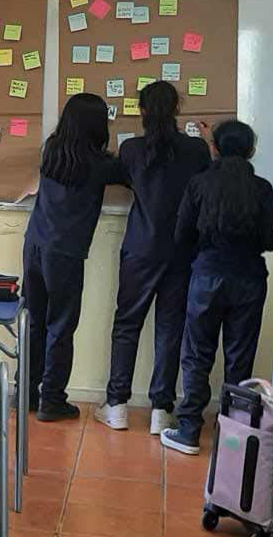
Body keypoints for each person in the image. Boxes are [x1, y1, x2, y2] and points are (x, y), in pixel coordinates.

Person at [159, 120, 273, 455]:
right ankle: (233, 435)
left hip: (207, 276)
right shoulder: (262, 189)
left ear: (214, 148)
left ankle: (188, 431)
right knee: (240, 358)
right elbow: (270, 241)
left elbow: (181, 235)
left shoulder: (199, 184)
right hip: (250, 278)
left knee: (197, 355)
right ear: (251, 150)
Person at [96, 82, 209, 433]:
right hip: (182, 250)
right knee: (170, 329)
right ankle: (161, 409)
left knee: (127, 325)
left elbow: (116, 175)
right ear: (178, 109)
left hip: (141, 248)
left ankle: (117, 405)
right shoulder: (196, 150)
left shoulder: (131, 149)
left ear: (142, 111)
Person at [23, 93, 126, 422]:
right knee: (61, 326)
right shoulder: (100, 165)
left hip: (34, 244)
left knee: (35, 322)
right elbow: (132, 173)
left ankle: (26, 393)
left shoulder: (51, 151)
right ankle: (52, 399)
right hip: (65, 254)